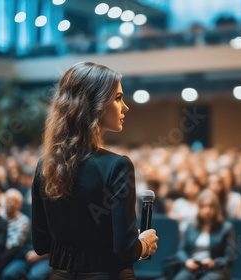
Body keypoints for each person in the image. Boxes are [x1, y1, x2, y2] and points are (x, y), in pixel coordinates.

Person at [31, 62, 158, 279]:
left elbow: (41, 244)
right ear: (95, 104)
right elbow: (126, 250)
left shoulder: (45, 166)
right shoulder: (117, 166)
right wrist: (144, 244)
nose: (125, 107)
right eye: (118, 98)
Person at [173, 189, 235, 280]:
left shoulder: (226, 228)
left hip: (215, 270)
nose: (207, 210)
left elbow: (230, 256)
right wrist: (187, 261)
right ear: (198, 208)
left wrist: (214, 263)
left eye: (210, 206)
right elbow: (181, 250)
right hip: (192, 268)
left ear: (216, 208)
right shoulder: (191, 226)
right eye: (203, 206)